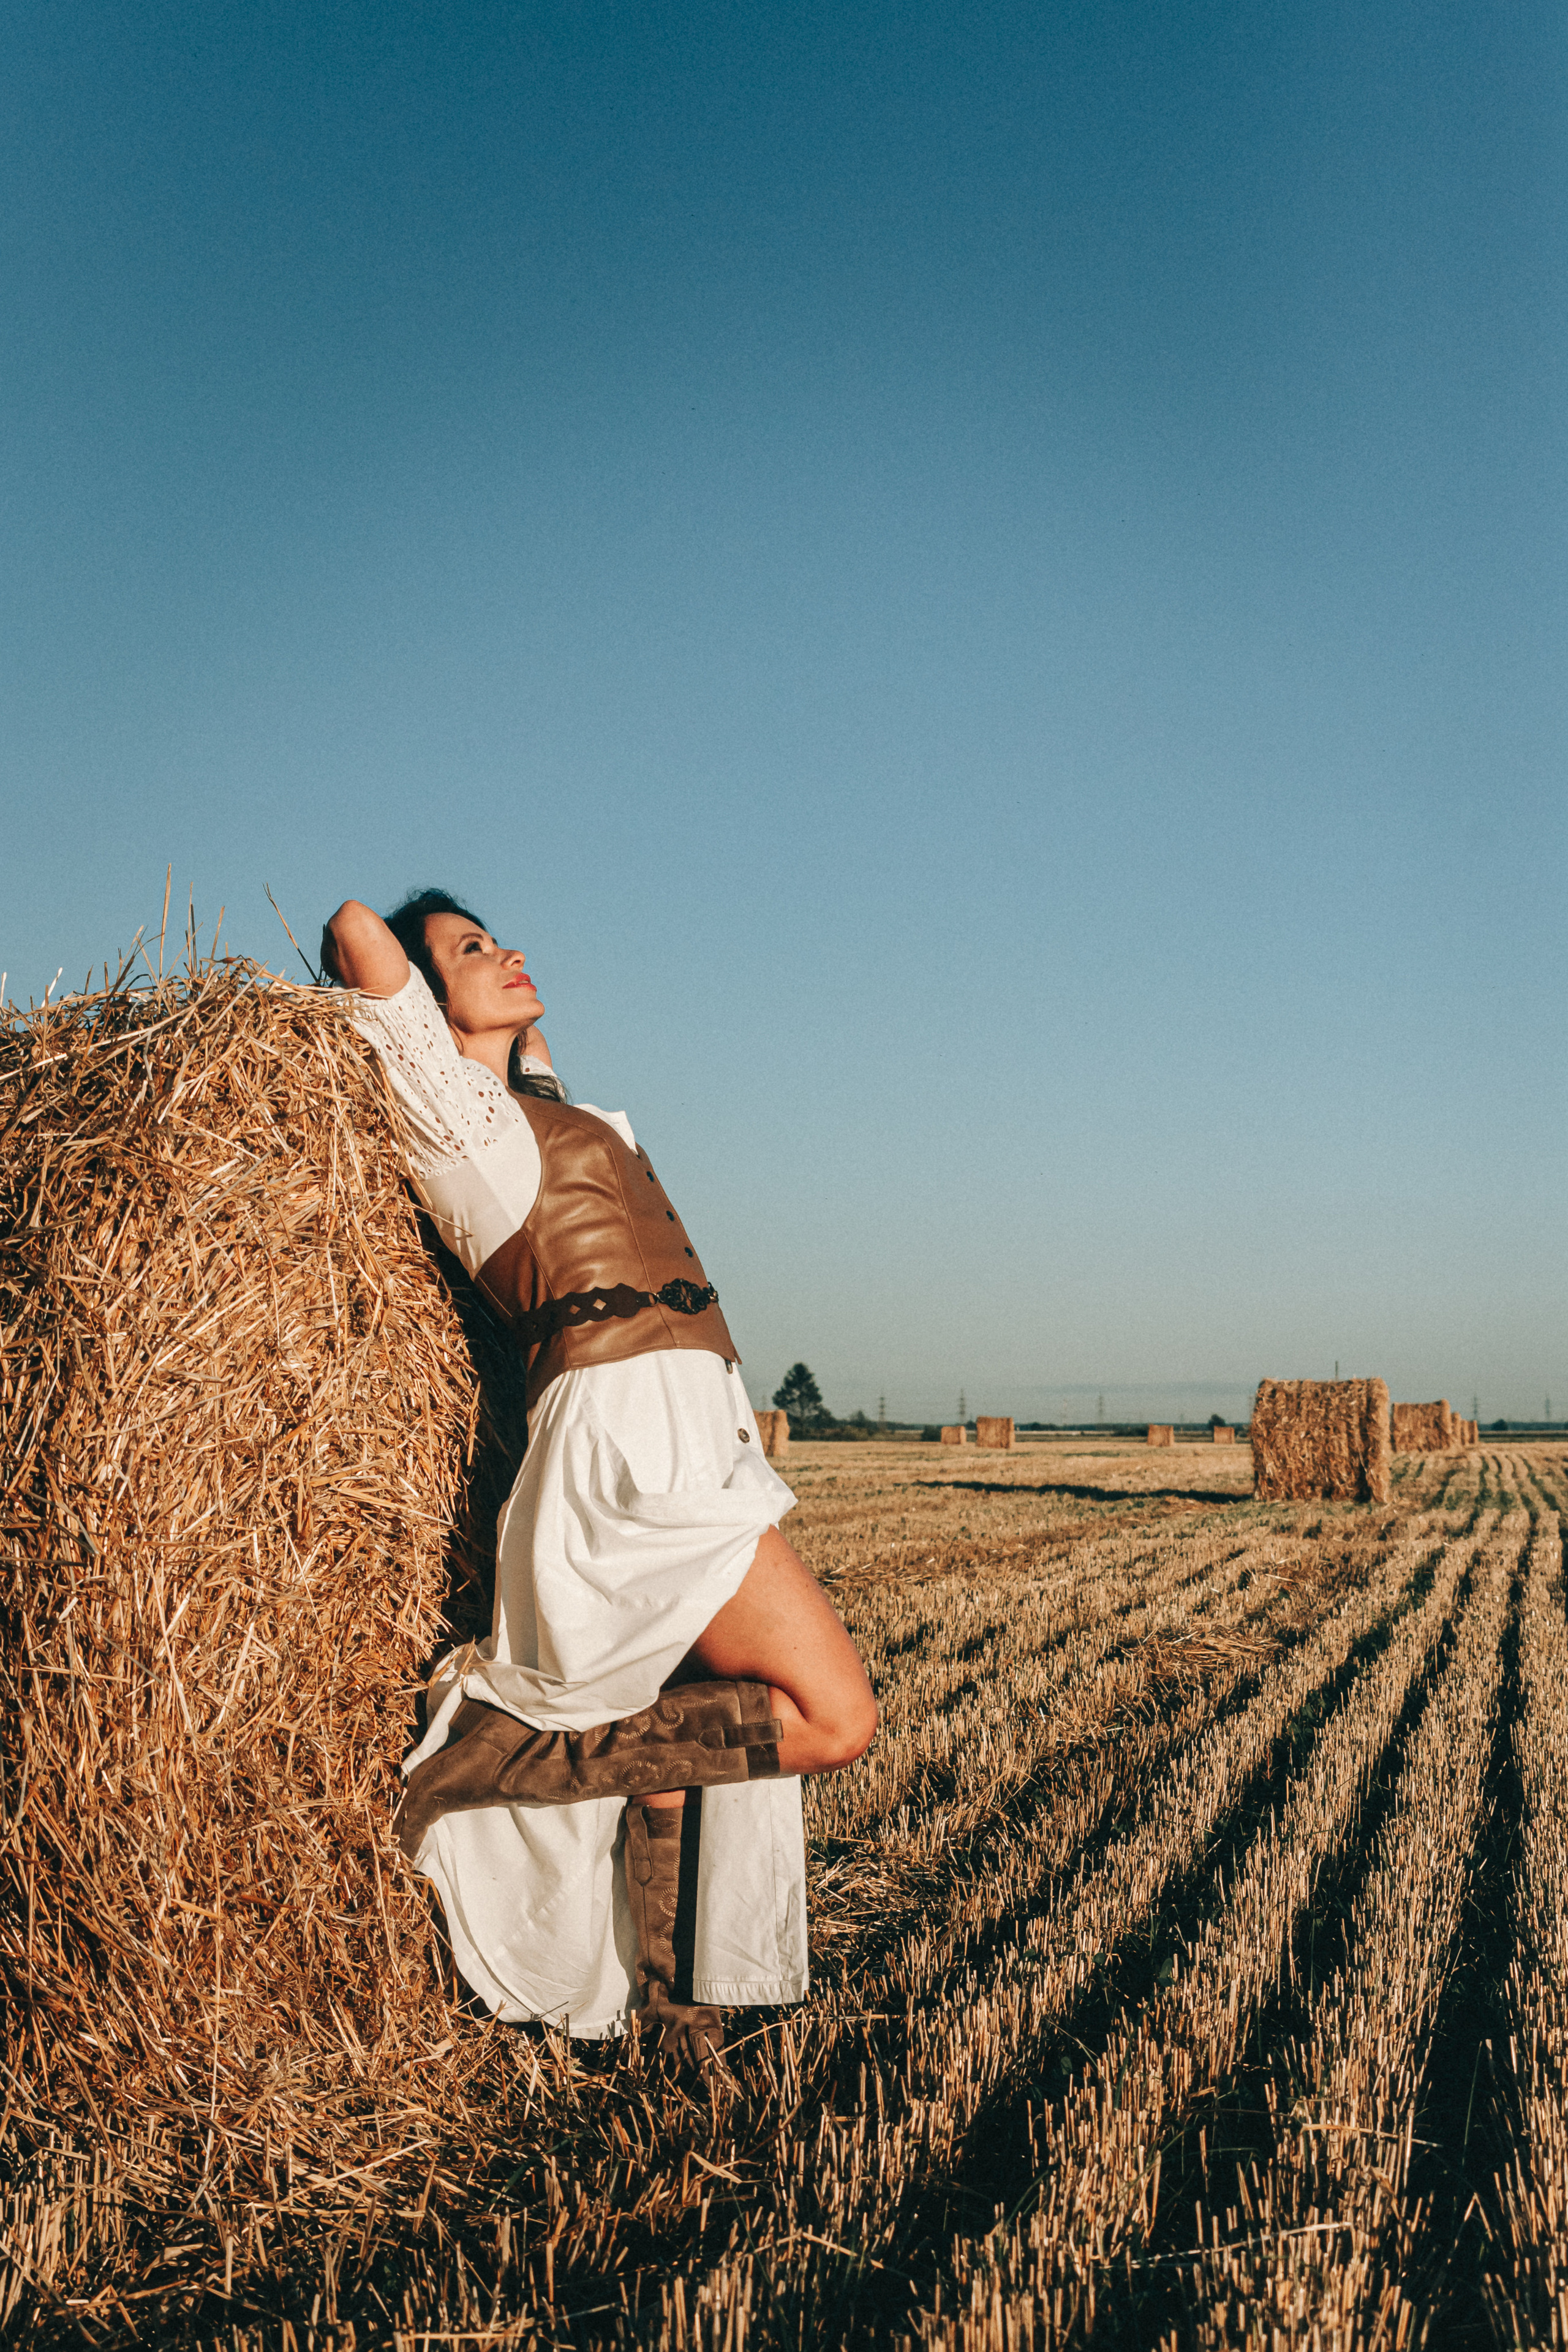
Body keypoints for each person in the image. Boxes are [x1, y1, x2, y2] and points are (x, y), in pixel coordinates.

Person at [321, 890, 876, 2074]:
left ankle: (673, 2016)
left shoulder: (546, 1107)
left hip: (697, 1435)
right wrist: (430, 988)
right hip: (619, 1446)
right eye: (472, 949)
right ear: (427, 1001)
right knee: (838, 1718)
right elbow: (362, 932)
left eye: (501, 938)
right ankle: (482, 1761)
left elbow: (529, 1055)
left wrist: (510, 1027)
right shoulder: (450, 1114)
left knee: (741, 1745)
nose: (507, 952)